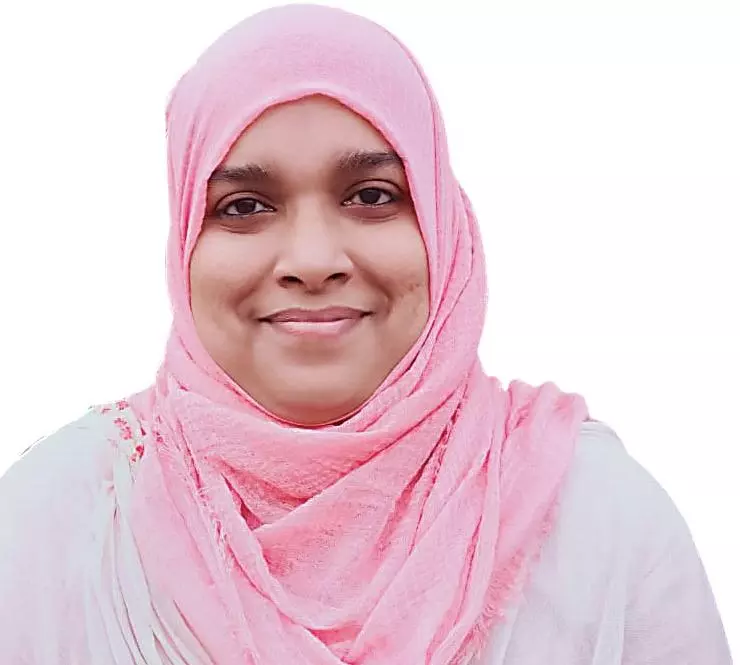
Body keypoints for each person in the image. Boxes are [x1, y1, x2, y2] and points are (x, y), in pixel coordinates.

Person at [0, 4, 732, 664]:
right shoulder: (61, 525)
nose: (313, 259)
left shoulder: (595, 520)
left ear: (443, 225)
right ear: (184, 239)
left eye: (372, 195)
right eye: (245, 205)